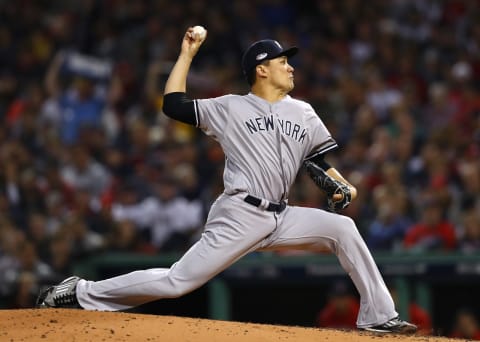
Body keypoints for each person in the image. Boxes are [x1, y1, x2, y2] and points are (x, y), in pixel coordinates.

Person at [36, 27, 417, 334]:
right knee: (177, 282)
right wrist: (186, 54)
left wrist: (340, 183)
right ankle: (80, 291)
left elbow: (317, 160)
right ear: (261, 69)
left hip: (282, 216)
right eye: (283, 61)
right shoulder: (229, 107)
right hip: (240, 212)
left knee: (343, 228)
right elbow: (173, 105)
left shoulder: (303, 111)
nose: (291, 67)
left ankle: (377, 316)